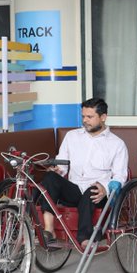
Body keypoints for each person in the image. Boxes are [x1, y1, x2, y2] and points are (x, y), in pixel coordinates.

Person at [39, 98, 129, 247]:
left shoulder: (117, 144)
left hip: (98, 192)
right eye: (83, 117)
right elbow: (62, 164)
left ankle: (85, 238)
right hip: (74, 189)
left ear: (103, 117)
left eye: (90, 117)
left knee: (92, 191)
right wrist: (58, 171)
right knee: (50, 177)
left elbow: (120, 175)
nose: (85, 120)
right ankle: (49, 231)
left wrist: (105, 188)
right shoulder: (71, 136)